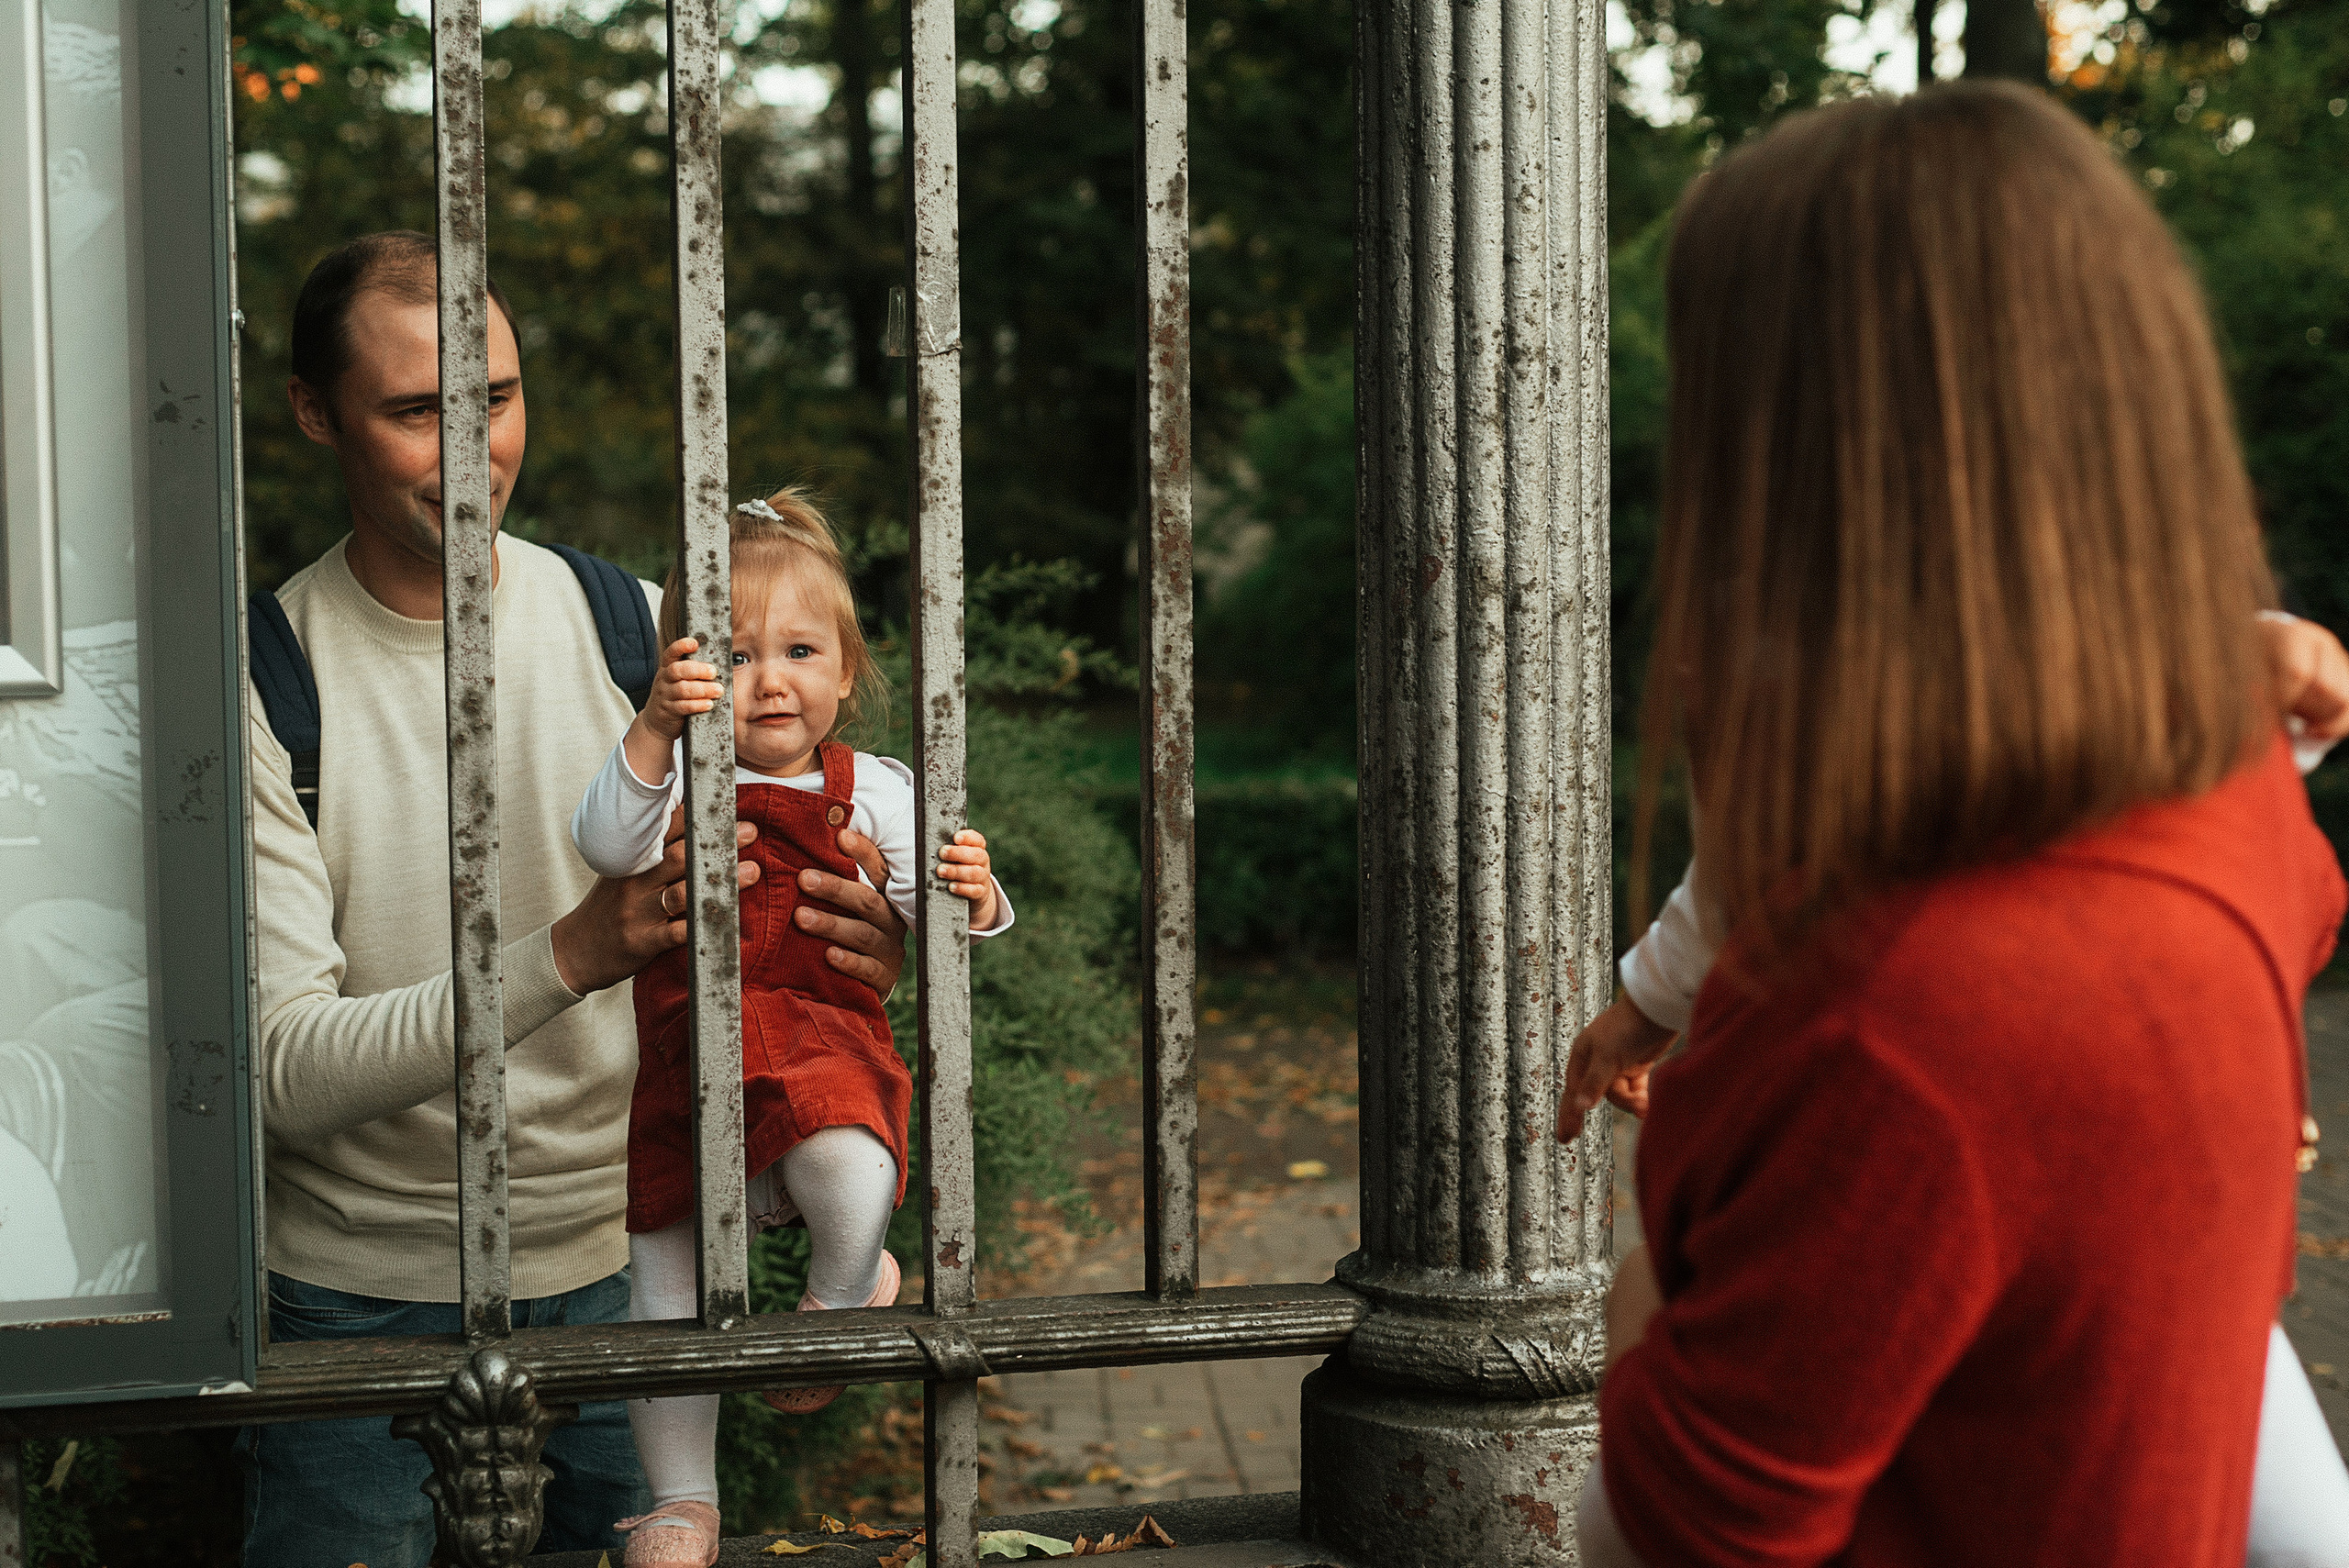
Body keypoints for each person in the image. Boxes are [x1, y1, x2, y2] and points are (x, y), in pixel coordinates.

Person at [1553, 84, 2347, 1567]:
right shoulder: (2234, 798)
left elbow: (1685, 1520)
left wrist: (1655, 1274)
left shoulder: (1894, 1022)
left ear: (1801, 477)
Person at [239, 233, 909, 1568]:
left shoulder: (646, 637)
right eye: (416, 410)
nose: (471, 444)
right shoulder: (267, 680)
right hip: (356, 1307)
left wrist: (869, 952)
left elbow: (793, 924)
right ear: (316, 413)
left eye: (492, 396)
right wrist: (574, 951)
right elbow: (280, 1075)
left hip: (632, 1276)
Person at [570, 491, 1013, 1568]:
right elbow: (600, 841)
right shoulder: (672, 774)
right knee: (661, 1289)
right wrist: (652, 726)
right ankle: (681, 1502)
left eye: (800, 649)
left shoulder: (877, 791)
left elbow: (932, 919)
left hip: (819, 1046)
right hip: (687, 1063)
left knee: (856, 1166)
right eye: (733, 652)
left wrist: (976, 891)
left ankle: (840, 1294)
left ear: (845, 672)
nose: (769, 677)